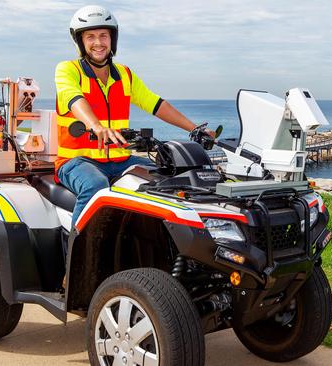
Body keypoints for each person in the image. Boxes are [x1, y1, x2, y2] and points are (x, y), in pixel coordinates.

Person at [55, 5, 213, 228]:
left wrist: (194, 128)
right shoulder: (68, 70)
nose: (98, 42)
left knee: (168, 175)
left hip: (121, 159)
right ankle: (78, 251)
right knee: (94, 186)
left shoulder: (125, 75)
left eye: (103, 35)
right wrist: (96, 126)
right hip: (77, 162)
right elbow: (73, 98)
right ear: (80, 42)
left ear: (113, 39)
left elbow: (155, 104)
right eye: (90, 36)